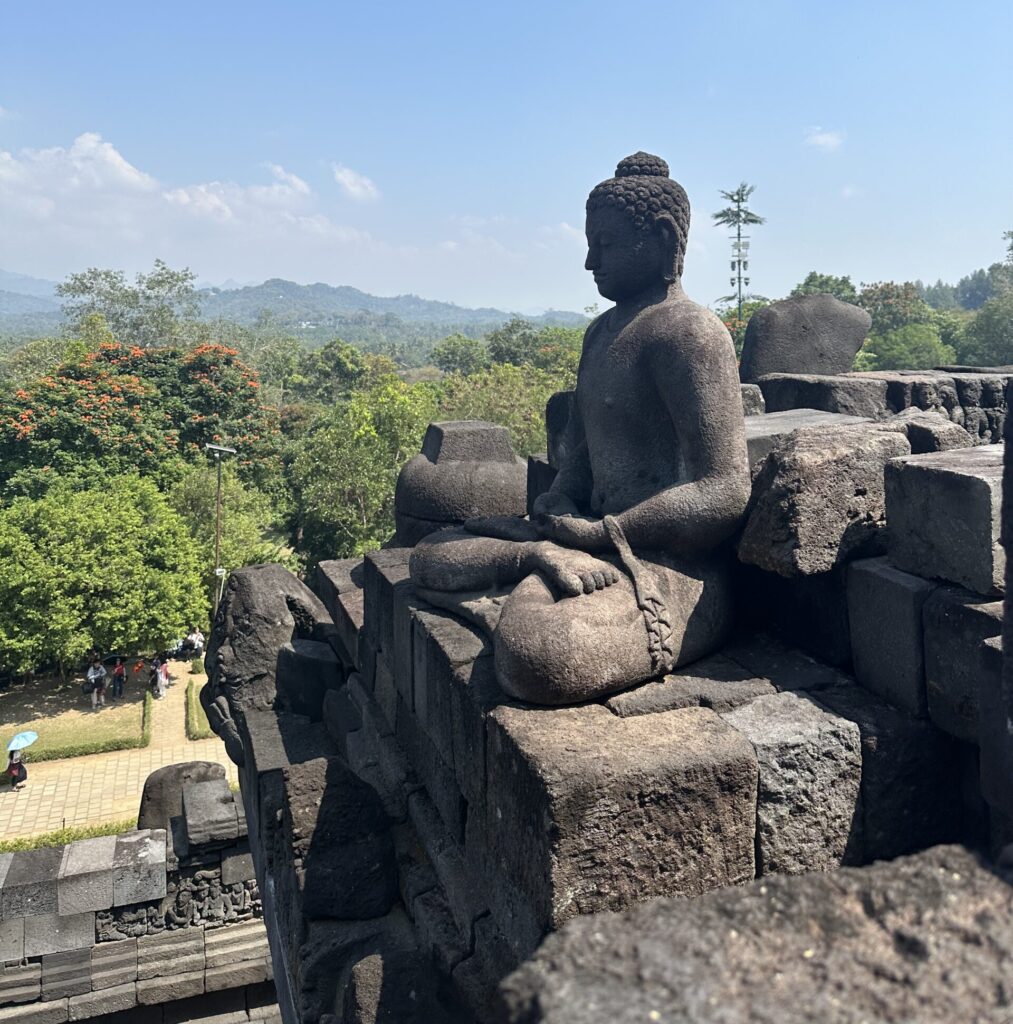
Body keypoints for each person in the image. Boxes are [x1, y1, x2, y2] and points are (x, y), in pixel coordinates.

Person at [410, 153, 751, 705]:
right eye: (590, 243)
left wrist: (606, 532)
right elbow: (584, 460)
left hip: (666, 567)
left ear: (662, 240)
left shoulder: (693, 335)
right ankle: (531, 566)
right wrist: (560, 502)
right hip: (579, 543)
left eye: (607, 244)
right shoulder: (600, 335)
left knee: (541, 653)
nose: (591, 262)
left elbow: (724, 490)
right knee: (428, 554)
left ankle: (522, 595)